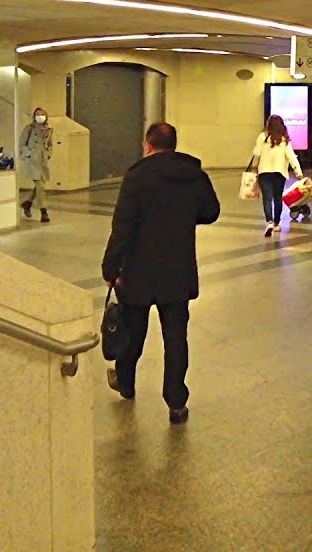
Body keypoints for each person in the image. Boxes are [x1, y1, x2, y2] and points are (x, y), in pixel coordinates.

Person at [102, 123, 221, 425]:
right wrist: (182, 214)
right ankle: (176, 403)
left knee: (134, 331)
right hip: (177, 269)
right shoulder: (193, 174)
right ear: (174, 145)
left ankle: (126, 382)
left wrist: (110, 267)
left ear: (149, 145)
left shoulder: (137, 176)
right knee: (176, 338)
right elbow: (211, 212)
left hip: (138, 270)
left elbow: (123, 225)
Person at [252, 115, 304, 237]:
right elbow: (291, 157)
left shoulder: (262, 137)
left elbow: (257, 153)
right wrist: (299, 173)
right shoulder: (284, 140)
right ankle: (276, 223)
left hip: (264, 172)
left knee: (267, 198)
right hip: (279, 173)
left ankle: (269, 222)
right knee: (277, 197)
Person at [19, 107, 54, 223]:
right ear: (34, 116)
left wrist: (49, 153)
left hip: (43, 160)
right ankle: (43, 211)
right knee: (40, 186)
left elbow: (50, 143)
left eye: (42, 114)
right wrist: (28, 154)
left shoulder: (49, 129)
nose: (40, 116)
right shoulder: (29, 129)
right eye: (37, 114)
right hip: (32, 160)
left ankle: (27, 203)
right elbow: (22, 143)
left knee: (40, 185)